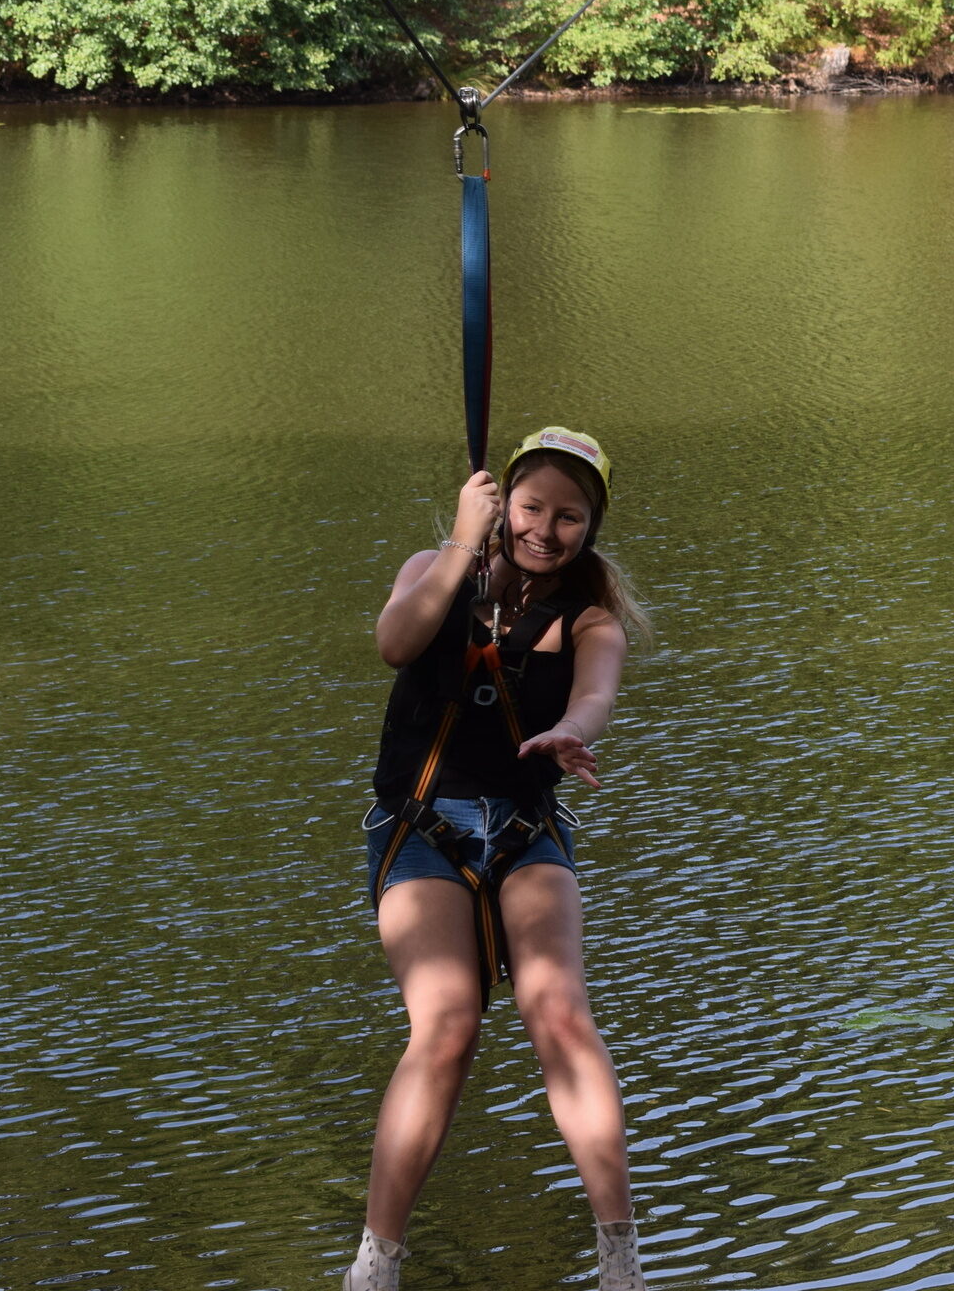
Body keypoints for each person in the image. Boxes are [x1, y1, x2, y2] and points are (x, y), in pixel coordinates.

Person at [345, 427, 648, 1291]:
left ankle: (620, 1259)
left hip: (525, 829)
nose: (545, 530)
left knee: (558, 1011)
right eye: (530, 508)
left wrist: (571, 733)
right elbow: (396, 642)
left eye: (569, 517)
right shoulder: (430, 569)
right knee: (447, 1026)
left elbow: (594, 696)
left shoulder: (591, 620)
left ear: (590, 530)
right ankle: (377, 1265)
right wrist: (456, 542)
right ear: (501, 501)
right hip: (420, 829)